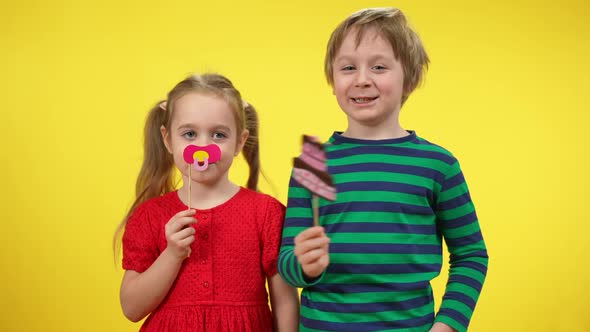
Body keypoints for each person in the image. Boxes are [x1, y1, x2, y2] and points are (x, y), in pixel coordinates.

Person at [278, 8, 488, 332]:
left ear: (410, 77)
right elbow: (287, 265)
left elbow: (471, 255)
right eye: (348, 67)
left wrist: (447, 326)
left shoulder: (439, 166)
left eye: (378, 66)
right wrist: (304, 265)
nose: (362, 79)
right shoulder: (312, 165)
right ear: (332, 81)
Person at [113, 73, 299, 331]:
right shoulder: (149, 215)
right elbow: (131, 308)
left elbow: (286, 302)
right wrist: (172, 254)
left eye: (219, 135)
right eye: (189, 133)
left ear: (239, 142)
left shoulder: (266, 213)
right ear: (168, 140)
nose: (203, 146)